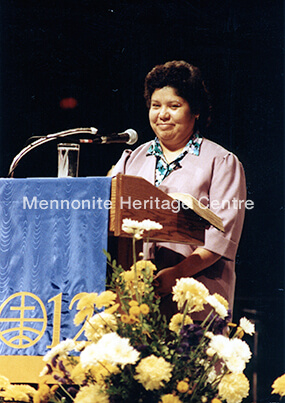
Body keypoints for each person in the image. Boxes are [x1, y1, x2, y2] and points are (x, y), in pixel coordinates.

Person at [111, 60, 246, 320]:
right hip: (135, 302)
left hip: (195, 297)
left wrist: (178, 273)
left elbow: (222, 237)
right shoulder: (131, 159)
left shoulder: (221, 161)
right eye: (155, 106)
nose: (163, 114)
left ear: (195, 110)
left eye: (174, 106)